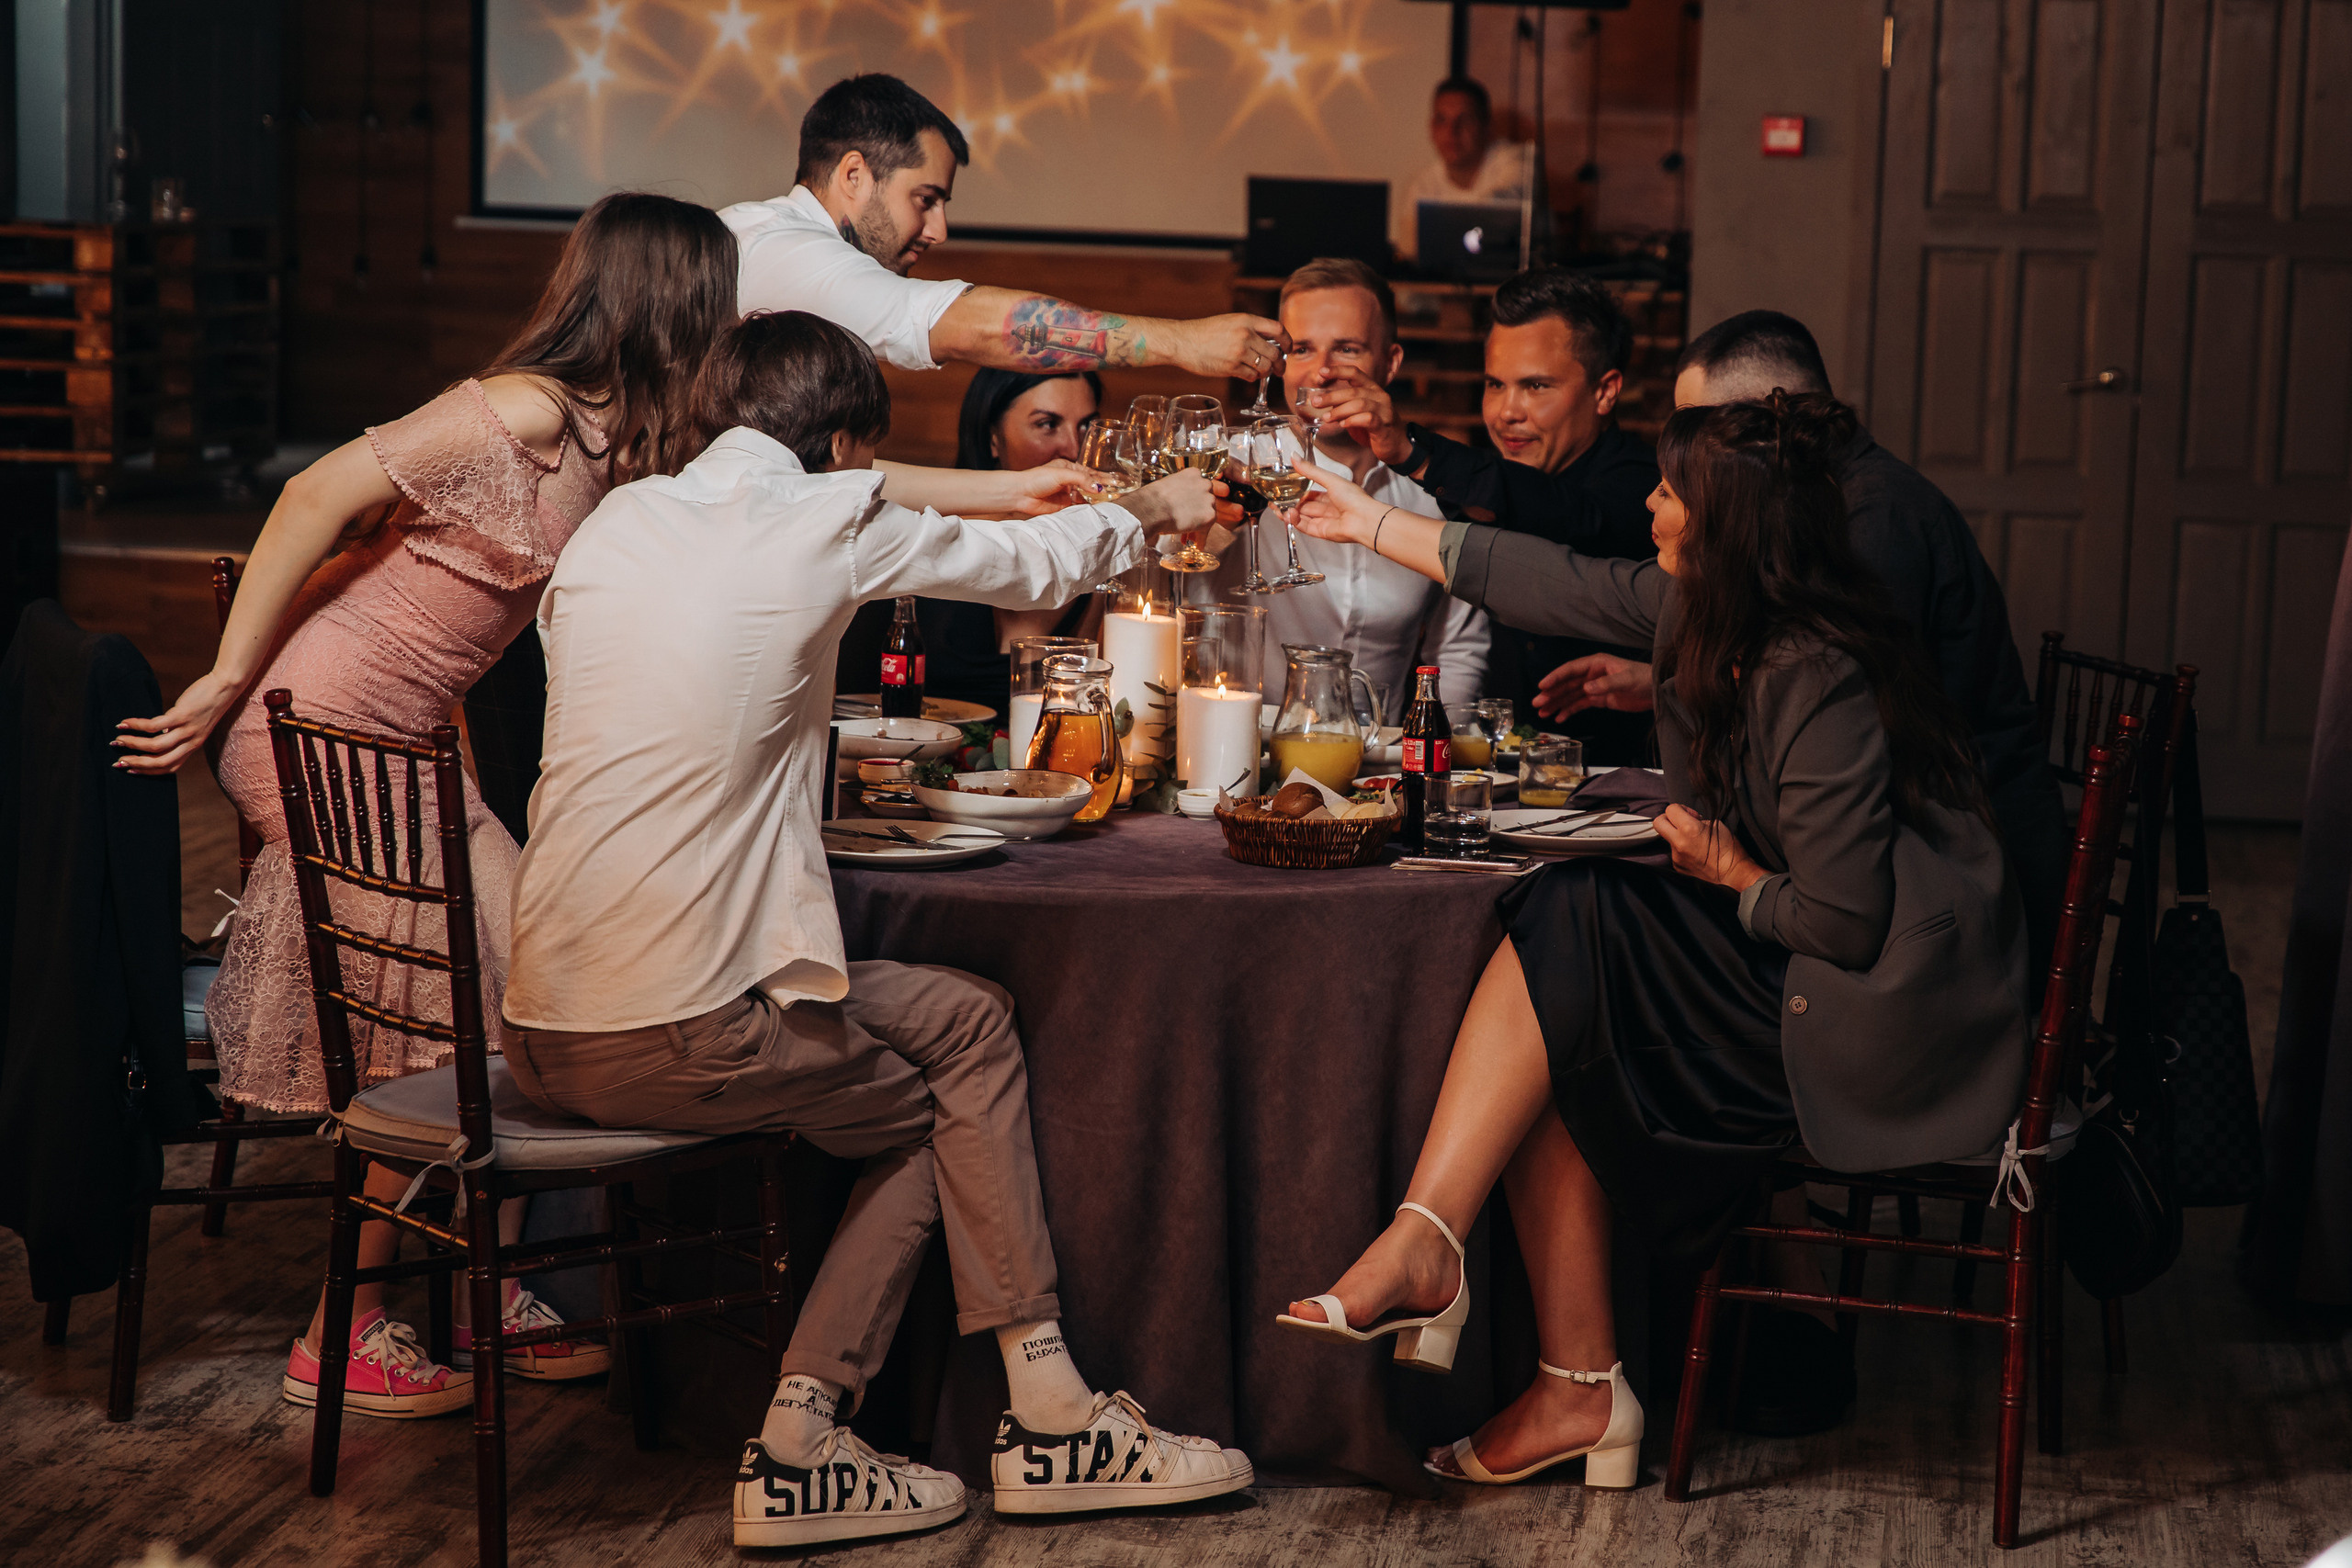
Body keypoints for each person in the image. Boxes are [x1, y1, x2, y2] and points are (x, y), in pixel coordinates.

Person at [499, 310, 1255, 1547]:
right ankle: (818, 1436)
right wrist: (1164, 502)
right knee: (930, 1114)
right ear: (849, 443)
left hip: (541, 1011)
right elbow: (1042, 566)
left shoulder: (622, 518)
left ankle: (1048, 1399)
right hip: (675, 1022)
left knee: (965, 1017)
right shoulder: (827, 514)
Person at [1277, 393, 2029, 1487]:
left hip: (1874, 1010)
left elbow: (1844, 919)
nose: (1648, 505)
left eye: (1670, 492)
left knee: (1578, 937)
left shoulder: (1811, 667)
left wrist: (1727, 872)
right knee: (1569, 948)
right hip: (1796, 962)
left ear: (1727, 524)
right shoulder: (1720, 610)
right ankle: (1517, 1333)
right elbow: (1546, 575)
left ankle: (1489, 1303)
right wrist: (1361, 518)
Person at [109, 193, 745, 1417]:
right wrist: (230, 670)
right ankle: (339, 1331)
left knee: (533, 976)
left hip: (403, 739)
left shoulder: (623, 444)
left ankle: (479, 1284)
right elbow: (314, 499)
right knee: (427, 1015)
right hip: (320, 727)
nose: (727, 327)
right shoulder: (521, 411)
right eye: (717, 302)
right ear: (671, 302)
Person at [723, 73, 1284, 383]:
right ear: (854, 175)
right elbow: (975, 327)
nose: (938, 230)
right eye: (925, 199)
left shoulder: (773, 235)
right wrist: (1183, 342)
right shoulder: (786, 251)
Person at [1308, 266, 1658, 758]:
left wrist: (1414, 453)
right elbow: (1459, 646)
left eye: (1536, 386)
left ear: (1605, 391)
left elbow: (1572, 518)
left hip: (1617, 792)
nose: (1506, 412)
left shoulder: (1645, 487)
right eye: (1495, 384)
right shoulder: (1481, 482)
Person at [1223, 257, 1486, 717]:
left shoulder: (1435, 487)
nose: (1321, 372)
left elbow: (1457, 650)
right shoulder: (1235, 468)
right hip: (1242, 752)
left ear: (1390, 363)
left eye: (1346, 349)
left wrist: (1440, 764)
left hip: (1378, 768)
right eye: (1301, 349)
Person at [916, 367, 1104, 716]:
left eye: (1086, 427)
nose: (1074, 448)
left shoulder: (1103, 550)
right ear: (993, 438)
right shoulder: (931, 534)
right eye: (1048, 424)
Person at [1392, 77, 1532, 263]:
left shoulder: (1516, 163)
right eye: (1442, 120)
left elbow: (1503, 213)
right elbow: (1410, 250)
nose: (1452, 131)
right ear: (1431, 128)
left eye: (1464, 120)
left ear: (1486, 126)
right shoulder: (1421, 184)